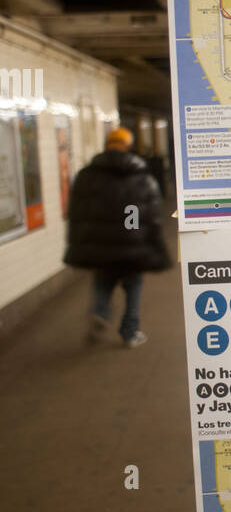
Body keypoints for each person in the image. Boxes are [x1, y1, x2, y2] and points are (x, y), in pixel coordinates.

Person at [64, 125, 170, 348]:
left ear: (107, 145)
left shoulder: (86, 175)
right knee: (133, 287)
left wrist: (76, 245)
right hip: (132, 245)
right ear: (129, 147)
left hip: (101, 246)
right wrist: (157, 246)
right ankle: (130, 333)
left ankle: (100, 314)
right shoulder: (141, 177)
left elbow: (77, 213)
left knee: (103, 282)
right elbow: (152, 216)